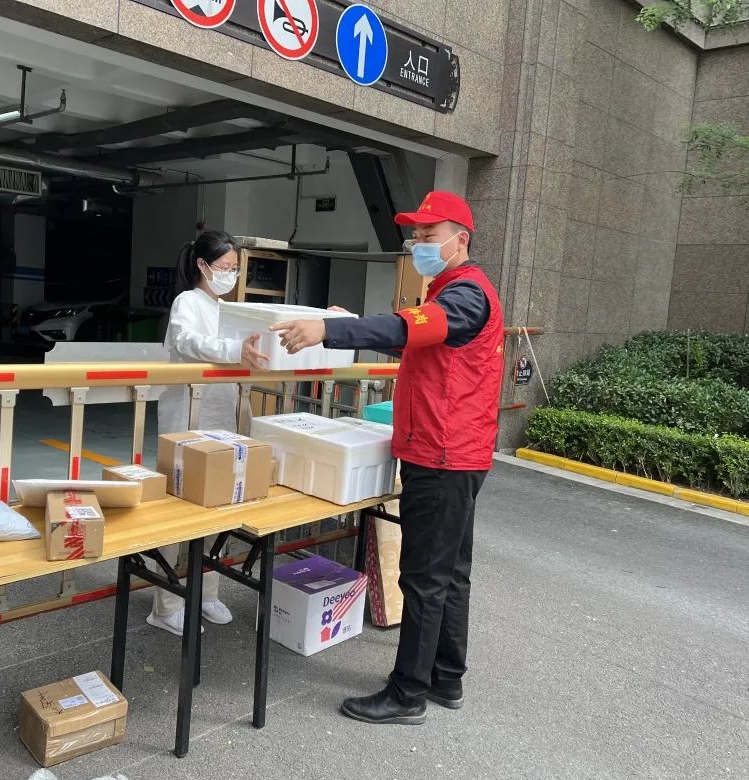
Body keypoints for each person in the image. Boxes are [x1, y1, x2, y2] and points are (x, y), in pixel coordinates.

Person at [270, 191, 504, 725]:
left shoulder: (466, 294)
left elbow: (405, 328)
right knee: (450, 573)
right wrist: (354, 320)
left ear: (460, 239)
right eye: (415, 235)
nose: (418, 244)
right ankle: (445, 678)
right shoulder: (451, 292)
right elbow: (416, 340)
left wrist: (330, 330)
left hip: (443, 455)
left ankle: (407, 693)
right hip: (453, 452)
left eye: (428, 235)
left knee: (424, 578)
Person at [149, 230, 269, 636]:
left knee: (219, 507)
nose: (230, 274)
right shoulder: (188, 302)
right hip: (188, 417)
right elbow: (188, 341)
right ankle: (166, 604)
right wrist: (235, 351)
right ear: (202, 265)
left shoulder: (229, 309)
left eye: (235, 268)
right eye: (224, 267)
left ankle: (206, 592)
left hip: (222, 420)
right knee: (179, 511)